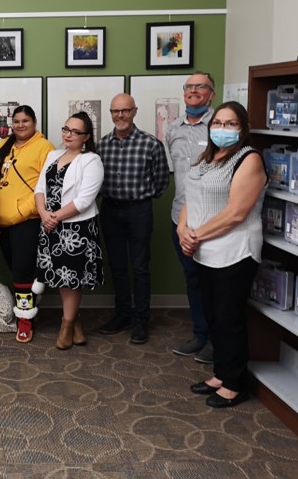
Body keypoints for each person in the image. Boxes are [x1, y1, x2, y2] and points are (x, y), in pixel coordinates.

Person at [179, 101, 267, 408]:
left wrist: (195, 235)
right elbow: (191, 195)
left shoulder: (249, 159)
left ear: (242, 129)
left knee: (230, 317)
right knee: (214, 314)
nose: (223, 129)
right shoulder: (207, 158)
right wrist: (182, 229)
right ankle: (220, 372)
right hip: (204, 250)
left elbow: (236, 213)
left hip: (235, 250)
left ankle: (234, 382)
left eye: (231, 124)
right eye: (218, 122)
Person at [96, 93, 170, 344]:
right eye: (115, 111)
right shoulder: (102, 145)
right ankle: (123, 315)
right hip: (110, 210)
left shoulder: (151, 144)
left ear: (134, 112)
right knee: (117, 267)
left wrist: (140, 199)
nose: (120, 116)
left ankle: (141, 320)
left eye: (125, 111)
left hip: (139, 210)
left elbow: (161, 183)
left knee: (139, 268)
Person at [35, 113, 105, 350]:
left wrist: (54, 217)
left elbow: (84, 200)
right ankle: (75, 326)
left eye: (75, 132)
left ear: (86, 137)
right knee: (61, 278)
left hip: (77, 229)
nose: (68, 134)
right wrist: (44, 214)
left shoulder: (91, 160)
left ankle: (66, 328)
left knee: (71, 280)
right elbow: (39, 189)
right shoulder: (53, 155)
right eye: (66, 129)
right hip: (50, 226)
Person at [0, 104, 54, 343]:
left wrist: (20, 210)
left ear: (34, 122)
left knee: (22, 272)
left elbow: (47, 187)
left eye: (25, 121)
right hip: (2, 222)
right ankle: (30, 301)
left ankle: (25, 320)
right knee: (15, 268)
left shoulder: (44, 147)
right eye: (16, 121)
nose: (20, 125)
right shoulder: (3, 146)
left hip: (26, 221)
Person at [167, 73, 217, 364]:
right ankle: (201, 334)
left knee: (213, 282)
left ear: (212, 93)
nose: (194, 91)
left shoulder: (221, 127)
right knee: (193, 279)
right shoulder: (173, 129)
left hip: (211, 221)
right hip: (180, 218)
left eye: (201, 87)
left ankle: (216, 339)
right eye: (189, 87)